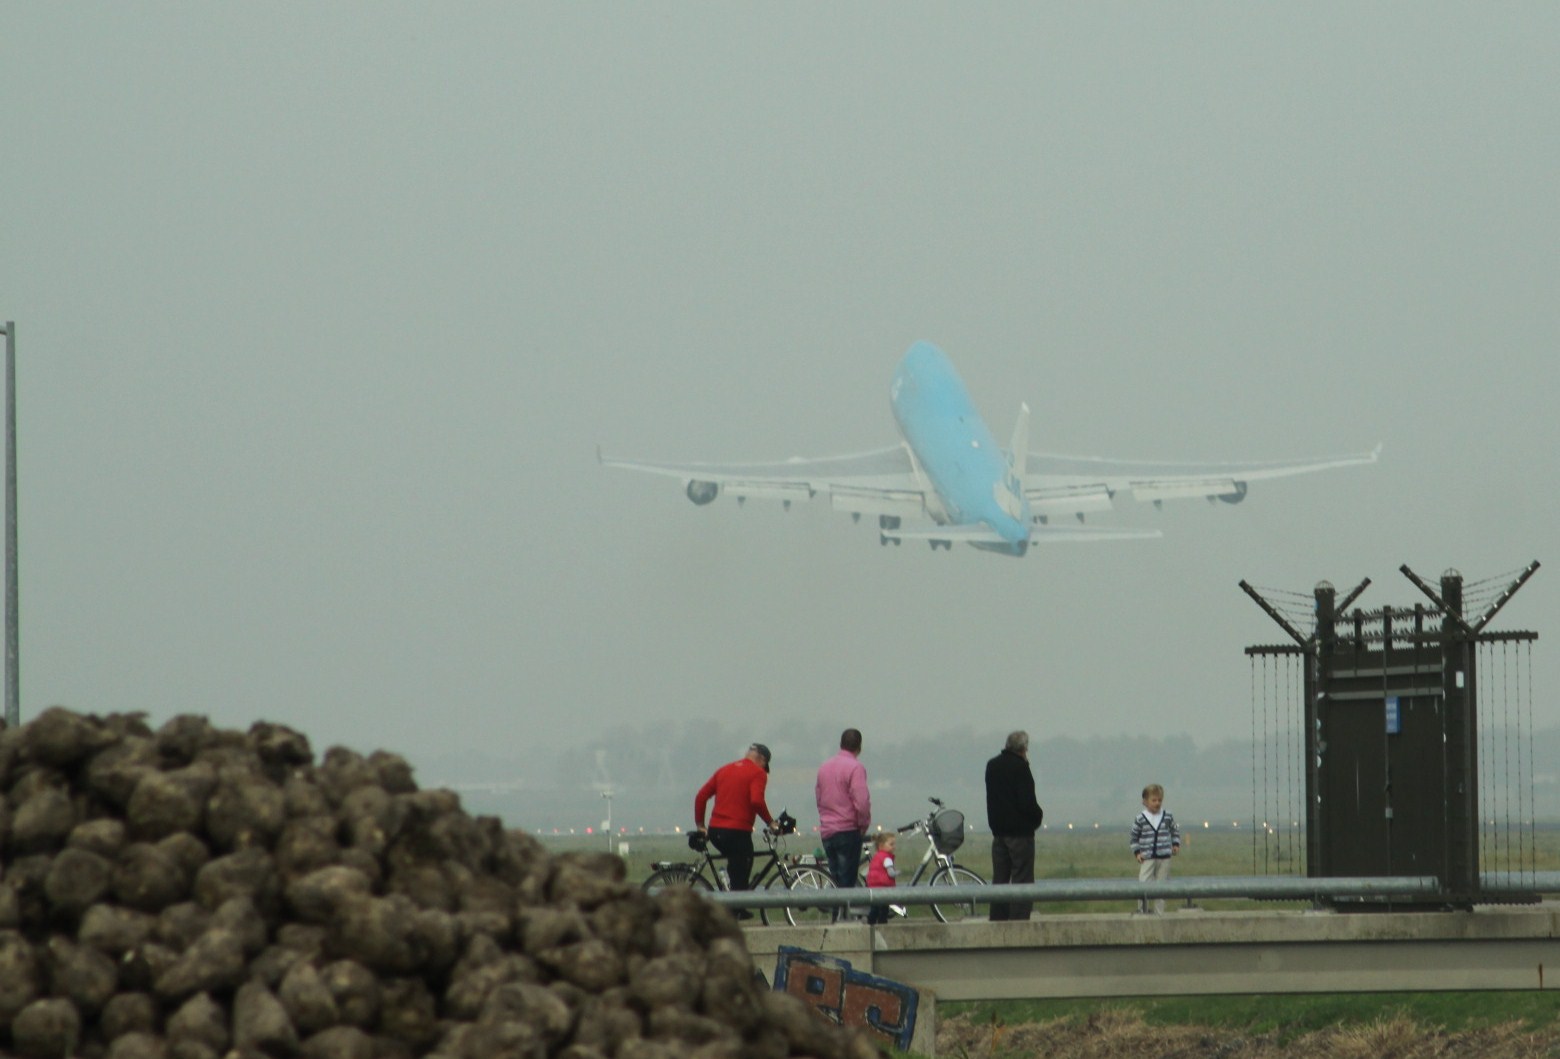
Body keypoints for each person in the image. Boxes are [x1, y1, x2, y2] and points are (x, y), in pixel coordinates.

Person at [693, 743, 775, 910]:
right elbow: (756, 801)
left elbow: (701, 796)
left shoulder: (724, 770)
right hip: (737, 831)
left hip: (715, 831)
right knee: (744, 863)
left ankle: (733, 901)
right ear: (762, 760)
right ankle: (737, 908)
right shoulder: (758, 773)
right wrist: (770, 822)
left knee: (737, 866)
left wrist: (701, 825)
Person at [984, 730, 1044, 921]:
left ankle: (998, 919)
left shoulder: (992, 766)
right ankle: (1019, 921)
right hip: (1020, 833)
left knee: (1000, 879)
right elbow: (1027, 802)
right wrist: (1037, 817)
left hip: (998, 832)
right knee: (1022, 879)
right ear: (1024, 748)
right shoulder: (1020, 768)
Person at [815, 728, 871, 916]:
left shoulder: (824, 767)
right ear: (859, 747)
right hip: (847, 829)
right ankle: (844, 921)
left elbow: (819, 797)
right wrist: (863, 824)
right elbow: (861, 802)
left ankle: (835, 918)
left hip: (828, 830)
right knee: (847, 881)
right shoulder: (856, 768)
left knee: (835, 878)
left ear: (841, 744)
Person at [1130, 783, 1181, 914]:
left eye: (1159, 800)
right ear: (1145, 802)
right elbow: (1134, 837)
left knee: (1161, 886)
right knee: (1144, 883)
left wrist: (1175, 844)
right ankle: (1142, 910)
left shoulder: (1167, 816)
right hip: (1147, 857)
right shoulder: (1140, 819)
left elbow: (1174, 830)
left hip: (1164, 857)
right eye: (1154, 800)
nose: (1157, 803)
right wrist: (1137, 852)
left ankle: (1160, 912)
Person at [864, 831, 897, 925]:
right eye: (891, 844)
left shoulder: (876, 856)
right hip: (883, 885)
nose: (894, 846)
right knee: (884, 907)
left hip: (873, 884)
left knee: (875, 905)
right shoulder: (887, 858)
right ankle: (882, 922)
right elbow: (891, 873)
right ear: (882, 845)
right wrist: (896, 873)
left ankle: (871, 921)